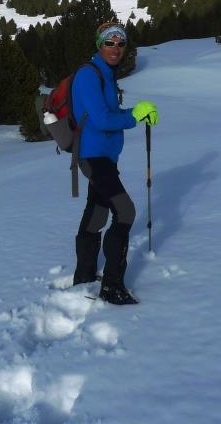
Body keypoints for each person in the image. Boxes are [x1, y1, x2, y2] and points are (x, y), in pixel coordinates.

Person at [72, 21, 158, 305]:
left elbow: (109, 113)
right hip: (93, 156)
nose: (115, 48)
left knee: (97, 212)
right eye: (109, 42)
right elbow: (101, 120)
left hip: (105, 157)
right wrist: (134, 114)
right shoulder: (89, 75)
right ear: (100, 45)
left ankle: (84, 276)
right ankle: (112, 286)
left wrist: (136, 113)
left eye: (121, 43)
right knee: (125, 211)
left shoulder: (106, 74)